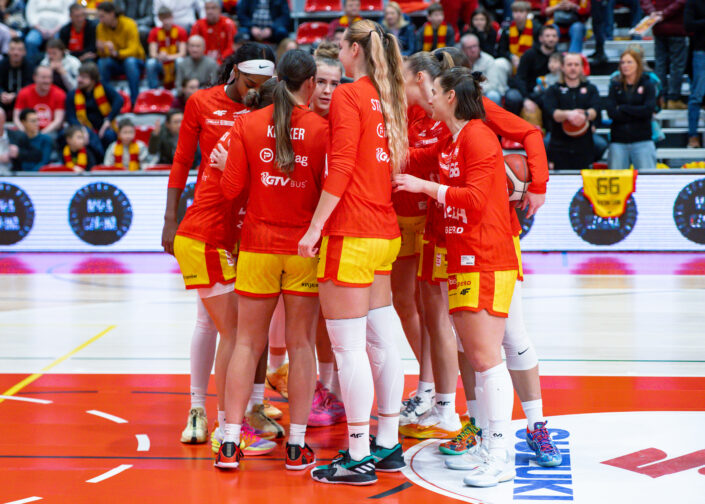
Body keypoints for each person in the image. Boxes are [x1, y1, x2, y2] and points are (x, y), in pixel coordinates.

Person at [394, 68, 519, 488]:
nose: (427, 98)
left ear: (450, 96)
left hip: (486, 256)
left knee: (486, 358)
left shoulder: (479, 137)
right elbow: (412, 158)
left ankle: (499, 454)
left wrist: (424, 189)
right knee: (477, 355)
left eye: (433, 92)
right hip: (463, 256)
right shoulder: (451, 140)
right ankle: (487, 445)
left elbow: (477, 199)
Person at [299, 20, 408, 486]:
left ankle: (359, 455)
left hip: (352, 233)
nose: (337, 51)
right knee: (382, 343)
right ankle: (388, 444)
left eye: (342, 45)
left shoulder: (348, 95)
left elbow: (341, 166)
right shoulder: (387, 96)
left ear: (354, 50)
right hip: (384, 231)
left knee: (349, 350)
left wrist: (315, 227)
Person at [213, 49, 328, 471]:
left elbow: (231, 192)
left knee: (246, 343)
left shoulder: (246, 123)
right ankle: (296, 447)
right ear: (311, 83)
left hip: (258, 246)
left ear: (278, 79)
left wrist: (226, 166)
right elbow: (329, 191)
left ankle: (229, 442)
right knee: (300, 346)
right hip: (303, 250)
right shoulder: (321, 129)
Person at [162, 43, 280, 446]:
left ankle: (249, 408)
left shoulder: (264, 115)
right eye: (250, 82)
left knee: (252, 326)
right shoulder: (204, 103)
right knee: (221, 326)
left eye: (263, 84)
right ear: (235, 73)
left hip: (249, 230)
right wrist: (170, 218)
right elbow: (182, 160)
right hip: (211, 229)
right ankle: (206, 412)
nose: (254, 90)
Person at [396, 52, 458, 438]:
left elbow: (425, 160)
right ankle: (430, 388)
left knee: (434, 310)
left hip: (434, 220)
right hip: (399, 215)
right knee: (404, 302)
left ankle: (430, 390)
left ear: (419, 78)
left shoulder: (446, 111)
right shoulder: (400, 109)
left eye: (402, 75)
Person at [542, 52, 601, 171]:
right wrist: (568, 114)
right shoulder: (553, 90)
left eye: (576, 64)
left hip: (584, 147)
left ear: (581, 67)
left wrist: (584, 115)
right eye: (569, 65)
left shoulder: (591, 89)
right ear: (562, 67)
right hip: (559, 146)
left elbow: (595, 109)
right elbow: (552, 112)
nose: (573, 68)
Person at [606, 49, 657, 170]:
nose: (625, 65)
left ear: (638, 64)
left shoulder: (648, 84)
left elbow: (648, 110)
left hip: (642, 140)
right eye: (623, 62)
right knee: (617, 179)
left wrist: (623, 108)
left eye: (629, 62)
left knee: (647, 178)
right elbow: (611, 112)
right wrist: (637, 111)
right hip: (618, 141)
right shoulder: (615, 86)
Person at [65, 61, 124, 156]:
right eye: (79, 76)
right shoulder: (72, 94)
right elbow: (71, 117)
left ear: (93, 80)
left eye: (84, 77)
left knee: (109, 135)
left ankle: (108, 160)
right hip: (84, 128)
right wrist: (81, 129)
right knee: (73, 135)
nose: (79, 79)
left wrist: (108, 120)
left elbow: (119, 100)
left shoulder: (103, 88)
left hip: (103, 126)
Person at [95, 1, 146, 108]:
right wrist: (102, 50)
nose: (100, 20)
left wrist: (116, 53)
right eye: (99, 17)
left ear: (112, 14)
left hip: (136, 61)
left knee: (129, 62)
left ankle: (135, 101)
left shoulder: (129, 24)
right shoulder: (100, 27)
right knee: (102, 62)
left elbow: (133, 50)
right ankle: (105, 100)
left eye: (102, 16)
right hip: (115, 61)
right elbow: (102, 54)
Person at [505, 24, 559, 125]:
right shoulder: (529, 54)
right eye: (547, 36)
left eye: (554, 36)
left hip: (545, 92)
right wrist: (526, 99)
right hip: (525, 90)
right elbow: (520, 78)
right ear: (540, 38)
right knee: (513, 97)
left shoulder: (559, 57)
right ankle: (512, 127)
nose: (551, 39)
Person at [640, 0, 688, 110]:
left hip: (659, 26)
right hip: (675, 27)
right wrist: (663, 14)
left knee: (660, 64)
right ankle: (673, 98)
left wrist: (653, 13)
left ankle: (661, 98)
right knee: (676, 65)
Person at [13, 65, 66, 137]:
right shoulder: (24, 93)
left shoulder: (59, 94)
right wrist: (26, 132)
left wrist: (40, 135)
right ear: (35, 77)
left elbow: (58, 121)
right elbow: (16, 118)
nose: (47, 81)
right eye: (43, 77)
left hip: (49, 132)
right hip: (27, 131)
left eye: (49, 77)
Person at [460, 33, 509, 105]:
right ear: (463, 49)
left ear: (479, 46)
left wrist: (475, 90)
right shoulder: (459, 61)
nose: (473, 50)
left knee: (493, 95)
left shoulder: (488, 60)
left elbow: (493, 84)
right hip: (465, 94)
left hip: (484, 93)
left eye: (475, 46)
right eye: (469, 47)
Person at [146, 6, 188, 89]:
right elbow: (152, 54)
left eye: (168, 18)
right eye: (163, 18)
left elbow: (183, 53)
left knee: (180, 61)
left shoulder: (181, 31)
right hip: (161, 62)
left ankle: (179, 88)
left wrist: (168, 57)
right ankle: (153, 90)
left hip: (174, 62)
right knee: (150, 63)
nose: (166, 21)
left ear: (172, 17)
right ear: (159, 19)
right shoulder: (154, 32)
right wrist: (159, 56)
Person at [23, 0, 73, 65]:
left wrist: (55, 30)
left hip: (58, 30)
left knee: (58, 44)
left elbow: (67, 14)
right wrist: (40, 29)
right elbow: (30, 14)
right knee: (30, 41)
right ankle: (30, 65)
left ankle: (60, 65)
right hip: (37, 29)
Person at [497, 1, 541, 72]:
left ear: (527, 13)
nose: (518, 14)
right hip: (512, 62)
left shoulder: (536, 27)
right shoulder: (507, 29)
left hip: (531, 61)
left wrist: (525, 58)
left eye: (521, 11)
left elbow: (539, 48)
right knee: (499, 63)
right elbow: (501, 50)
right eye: (515, 11)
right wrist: (511, 56)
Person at [685, 0, 705, 148]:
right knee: (697, 96)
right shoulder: (694, 2)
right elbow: (688, 25)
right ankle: (693, 136)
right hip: (701, 52)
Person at [0, 37, 34, 116]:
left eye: (19, 50)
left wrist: (15, 95)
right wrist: (2, 93)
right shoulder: (2, 64)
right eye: (12, 49)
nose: (16, 53)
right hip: (3, 98)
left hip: (22, 98)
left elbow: (29, 85)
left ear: (24, 52)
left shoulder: (30, 66)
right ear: (8, 51)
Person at [0, 109, 20, 175]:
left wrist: (18, 152)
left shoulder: (16, 136)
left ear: (4, 119)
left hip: (12, 175)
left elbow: (33, 154)